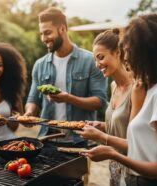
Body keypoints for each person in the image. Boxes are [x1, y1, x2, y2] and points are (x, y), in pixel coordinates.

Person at [80, 14, 157, 186]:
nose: (127, 57)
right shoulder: (118, 87)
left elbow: (137, 142)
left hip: (137, 172)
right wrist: (102, 127)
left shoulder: (142, 89)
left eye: (100, 57)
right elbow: (139, 131)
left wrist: (106, 143)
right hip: (124, 171)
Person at [24, 7, 107, 145]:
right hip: (47, 139)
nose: (44, 39)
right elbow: (33, 100)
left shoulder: (90, 61)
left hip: (80, 139)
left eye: (47, 33)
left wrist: (68, 98)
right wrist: (29, 113)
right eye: (42, 34)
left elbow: (100, 102)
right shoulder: (40, 65)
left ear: (62, 29)